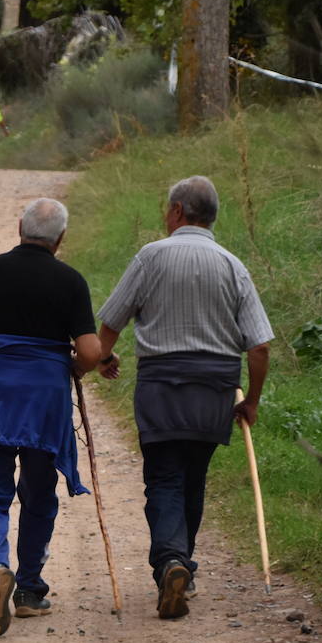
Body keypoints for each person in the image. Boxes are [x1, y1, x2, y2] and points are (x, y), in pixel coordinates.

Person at [96, 176, 273, 620]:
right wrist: (250, 400)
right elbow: (260, 347)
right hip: (214, 388)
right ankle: (182, 568)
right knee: (193, 478)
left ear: (177, 212)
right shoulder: (233, 266)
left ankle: (171, 562)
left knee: (163, 478)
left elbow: (112, 320)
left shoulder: (150, 256)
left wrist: (103, 357)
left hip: (161, 385)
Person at [0, 198, 101, 638]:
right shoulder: (70, 280)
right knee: (38, 492)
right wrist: (74, 367)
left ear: (19, 227)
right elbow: (89, 352)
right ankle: (29, 591)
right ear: (61, 239)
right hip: (44, 401)